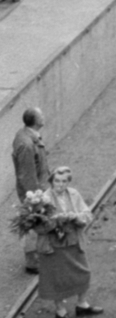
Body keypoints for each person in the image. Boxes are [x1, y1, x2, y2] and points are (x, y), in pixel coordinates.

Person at [38, 166, 101, 318]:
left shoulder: (73, 194)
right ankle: (60, 312)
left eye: (64, 181)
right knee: (57, 279)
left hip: (73, 241)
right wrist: (55, 221)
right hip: (54, 245)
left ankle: (82, 304)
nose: (60, 184)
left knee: (83, 271)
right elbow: (38, 227)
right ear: (51, 181)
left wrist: (76, 217)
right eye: (57, 181)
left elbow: (88, 215)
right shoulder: (43, 199)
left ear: (68, 182)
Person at [12, 107, 49, 274]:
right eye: (41, 115)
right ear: (35, 121)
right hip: (33, 192)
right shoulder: (27, 144)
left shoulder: (27, 136)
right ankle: (33, 261)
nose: (43, 117)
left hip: (36, 188)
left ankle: (38, 255)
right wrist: (35, 197)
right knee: (33, 223)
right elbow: (27, 174)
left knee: (36, 223)